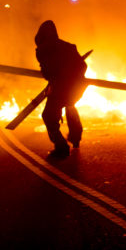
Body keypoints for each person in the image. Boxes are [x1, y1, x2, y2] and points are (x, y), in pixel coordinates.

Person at [34, 20, 88, 159]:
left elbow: (47, 73)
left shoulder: (43, 50)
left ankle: (61, 147)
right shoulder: (69, 46)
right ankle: (76, 138)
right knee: (70, 104)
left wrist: (60, 79)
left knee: (49, 116)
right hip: (77, 86)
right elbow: (83, 66)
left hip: (61, 88)